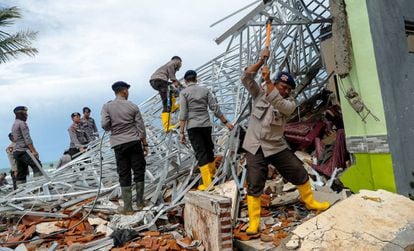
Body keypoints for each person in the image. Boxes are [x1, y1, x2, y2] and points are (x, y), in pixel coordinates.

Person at [241, 48, 330, 235]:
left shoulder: (289, 103)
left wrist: (267, 81)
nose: (287, 91)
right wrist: (260, 61)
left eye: (289, 89)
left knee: (297, 170)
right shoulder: (259, 93)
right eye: (284, 87)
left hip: (276, 145)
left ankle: (310, 201)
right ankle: (254, 222)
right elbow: (246, 78)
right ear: (276, 83)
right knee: (255, 181)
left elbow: (281, 106)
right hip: (255, 145)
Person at [179, 70, 234, 191]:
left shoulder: (184, 93)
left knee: (200, 152)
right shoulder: (205, 90)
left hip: (193, 127)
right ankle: (213, 175)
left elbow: (183, 114)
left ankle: (208, 183)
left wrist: (181, 132)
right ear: (196, 79)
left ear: (185, 81)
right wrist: (226, 122)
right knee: (209, 149)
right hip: (206, 125)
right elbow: (214, 107)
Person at [101, 81, 148, 215]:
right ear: (124, 91)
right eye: (127, 90)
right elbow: (141, 128)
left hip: (118, 144)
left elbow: (104, 124)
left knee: (124, 172)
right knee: (139, 170)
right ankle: (140, 202)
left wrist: (112, 126)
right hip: (134, 142)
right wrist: (145, 144)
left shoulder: (107, 106)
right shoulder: (133, 106)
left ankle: (127, 207)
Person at [11, 106, 43, 186]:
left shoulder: (14, 124)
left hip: (16, 152)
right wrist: (34, 151)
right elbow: (27, 139)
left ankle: (21, 193)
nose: (27, 115)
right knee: (37, 166)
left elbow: (15, 139)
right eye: (25, 114)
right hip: (23, 151)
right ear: (21, 114)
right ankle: (39, 188)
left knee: (22, 173)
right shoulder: (22, 124)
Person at [149, 56, 182, 132]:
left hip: (157, 81)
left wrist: (178, 84)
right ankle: (167, 127)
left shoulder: (167, 65)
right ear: (179, 62)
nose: (179, 68)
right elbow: (172, 76)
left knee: (171, 90)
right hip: (160, 81)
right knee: (166, 103)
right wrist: (174, 80)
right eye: (180, 65)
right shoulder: (174, 62)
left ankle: (173, 107)